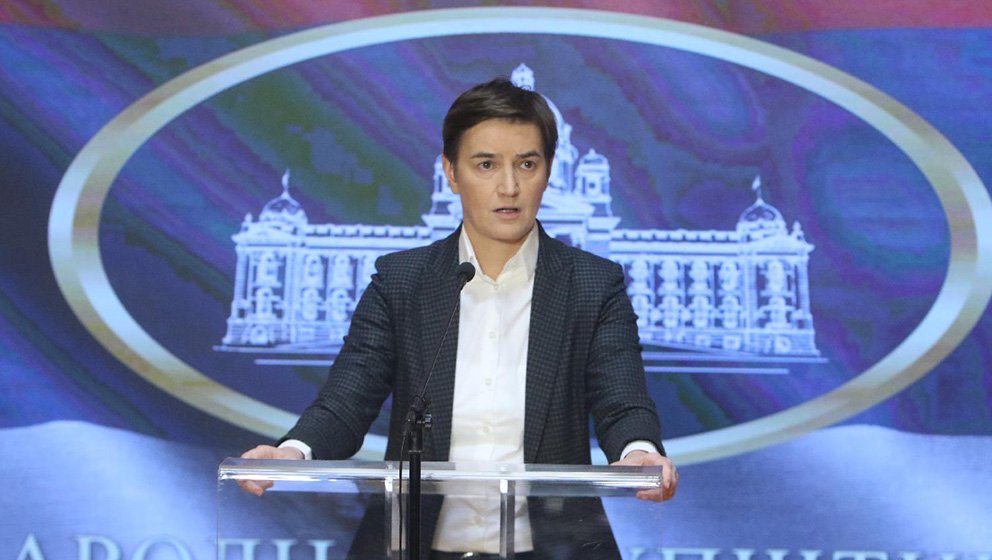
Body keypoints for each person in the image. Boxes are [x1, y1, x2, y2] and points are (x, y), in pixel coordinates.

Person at [240, 77, 678, 559]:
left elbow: (622, 403)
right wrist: (293, 451)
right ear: (451, 172)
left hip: (553, 548)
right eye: (486, 164)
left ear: (550, 170)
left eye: (526, 164)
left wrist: (639, 452)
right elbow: (346, 402)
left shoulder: (592, 285)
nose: (509, 187)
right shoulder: (402, 281)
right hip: (414, 547)